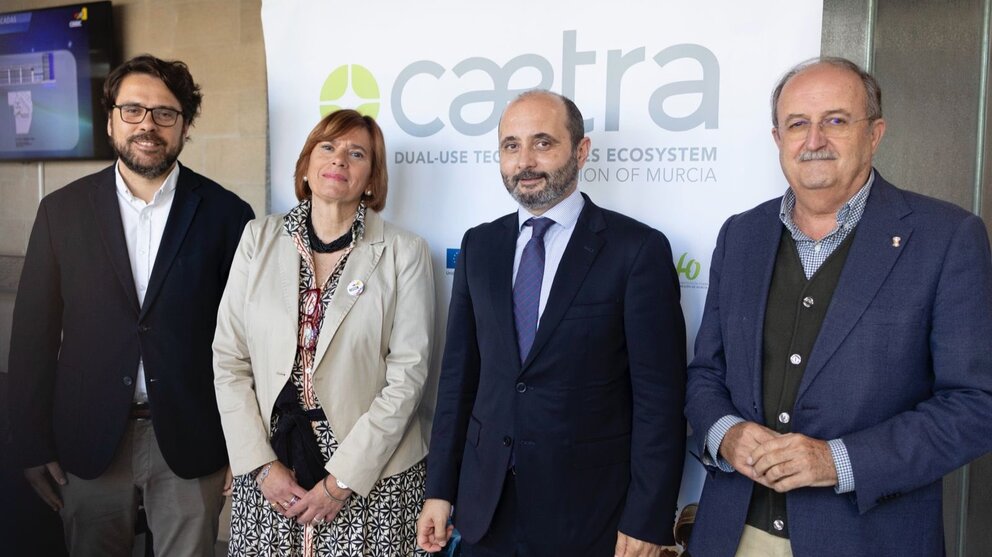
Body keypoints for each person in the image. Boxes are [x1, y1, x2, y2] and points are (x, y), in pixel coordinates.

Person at [684, 56, 992, 556]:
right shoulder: (741, 234)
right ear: (777, 138)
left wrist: (838, 461)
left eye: (835, 120)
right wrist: (726, 434)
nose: (814, 140)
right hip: (731, 535)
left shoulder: (946, 237)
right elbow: (705, 374)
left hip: (867, 539)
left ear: (875, 133)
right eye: (797, 124)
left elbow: (977, 405)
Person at [417, 90, 687, 556]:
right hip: (486, 509)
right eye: (511, 145)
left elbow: (659, 401)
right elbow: (459, 381)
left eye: (543, 143)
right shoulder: (480, 247)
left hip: (589, 515)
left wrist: (648, 518)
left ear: (580, 151)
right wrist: (439, 488)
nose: (525, 161)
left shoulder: (636, 250)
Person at [6, 54, 254, 556]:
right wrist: (30, 444)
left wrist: (244, 445)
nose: (148, 125)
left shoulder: (228, 215)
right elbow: (32, 335)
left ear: (185, 125)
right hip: (88, 437)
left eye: (165, 113)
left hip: (193, 437)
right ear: (110, 119)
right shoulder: (62, 212)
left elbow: (248, 341)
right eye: (134, 110)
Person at [212, 109, 436, 556]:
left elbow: (408, 376)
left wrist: (343, 480)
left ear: (371, 179)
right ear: (306, 165)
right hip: (272, 466)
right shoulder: (258, 238)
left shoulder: (403, 252)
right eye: (328, 147)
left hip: (371, 472)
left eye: (357, 154)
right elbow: (229, 359)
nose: (339, 160)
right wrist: (259, 464)